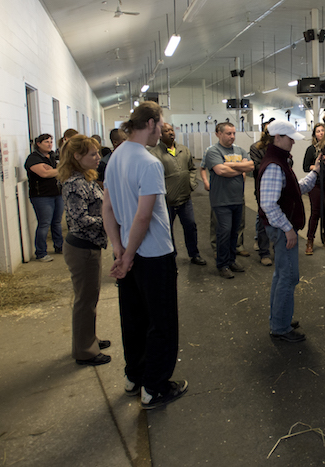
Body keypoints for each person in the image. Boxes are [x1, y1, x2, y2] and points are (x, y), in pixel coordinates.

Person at [102, 101, 188, 410]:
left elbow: (108, 208)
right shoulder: (149, 163)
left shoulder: (114, 158)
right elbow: (142, 217)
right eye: (160, 124)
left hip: (129, 251)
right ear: (151, 123)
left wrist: (119, 248)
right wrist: (128, 255)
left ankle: (133, 376)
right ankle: (154, 387)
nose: (161, 131)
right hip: (153, 254)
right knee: (161, 322)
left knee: (134, 318)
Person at [257, 120, 320, 343]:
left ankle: (279, 318)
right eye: (289, 137)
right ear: (277, 138)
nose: (293, 141)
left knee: (281, 274)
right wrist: (288, 229)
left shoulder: (279, 161)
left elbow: (294, 189)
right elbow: (268, 203)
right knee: (289, 276)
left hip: (280, 226)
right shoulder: (275, 165)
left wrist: (315, 173)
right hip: (282, 228)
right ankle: (280, 327)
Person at [57, 134, 111, 366]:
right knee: (85, 300)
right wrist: (109, 221)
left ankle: (89, 339)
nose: (98, 157)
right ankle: (84, 351)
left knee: (90, 298)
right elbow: (79, 218)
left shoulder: (85, 178)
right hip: (82, 248)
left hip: (90, 246)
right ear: (77, 157)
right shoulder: (74, 184)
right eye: (93, 154)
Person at [149, 123, 207, 266]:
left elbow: (192, 168)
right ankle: (170, 255)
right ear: (160, 135)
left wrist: (192, 184)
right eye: (166, 131)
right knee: (167, 229)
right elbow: (154, 177)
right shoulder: (154, 154)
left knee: (190, 226)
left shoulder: (183, 150)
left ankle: (194, 254)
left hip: (185, 198)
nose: (170, 133)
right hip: (166, 200)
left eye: (171, 130)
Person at [203, 122, 254, 278]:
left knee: (234, 232)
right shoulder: (213, 151)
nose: (232, 136)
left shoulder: (240, 150)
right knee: (224, 232)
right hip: (221, 201)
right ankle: (222, 264)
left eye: (233, 133)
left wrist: (230, 164)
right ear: (219, 133)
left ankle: (231, 260)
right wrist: (240, 168)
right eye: (228, 133)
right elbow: (220, 170)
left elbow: (251, 165)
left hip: (237, 199)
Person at [25, 133, 64, 262]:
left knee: (56, 222)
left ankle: (59, 246)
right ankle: (41, 252)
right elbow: (44, 173)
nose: (50, 144)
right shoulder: (33, 158)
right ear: (38, 144)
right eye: (46, 142)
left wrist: (53, 170)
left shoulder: (53, 156)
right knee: (44, 224)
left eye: (51, 141)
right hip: (42, 196)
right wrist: (57, 170)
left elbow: (58, 170)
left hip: (57, 194)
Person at [302, 123, 325, 255]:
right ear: (314, 134)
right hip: (315, 184)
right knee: (316, 212)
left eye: (323, 130)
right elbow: (305, 167)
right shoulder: (311, 149)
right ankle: (310, 240)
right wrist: (318, 166)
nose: (321, 133)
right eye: (318, 131)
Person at [249, 124, 275, 266]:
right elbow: (257, 167)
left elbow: (290, 161)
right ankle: (264, 252)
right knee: (263, 221)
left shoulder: (279, 147)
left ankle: (277, 249)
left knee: (277, 221)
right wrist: (274, 164)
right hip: (263, 189)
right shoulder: (256, 148)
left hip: (279, 189)